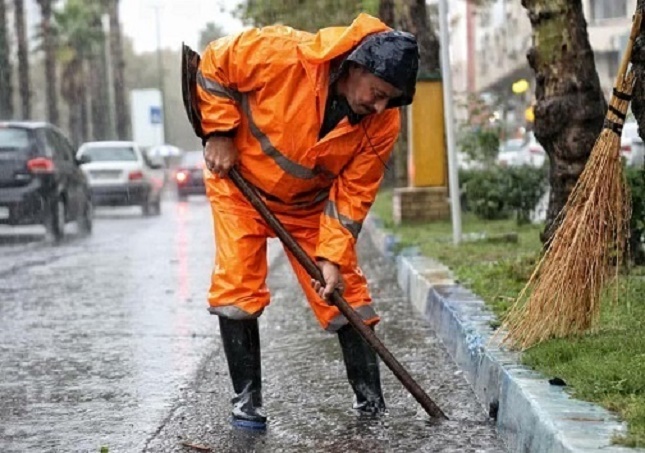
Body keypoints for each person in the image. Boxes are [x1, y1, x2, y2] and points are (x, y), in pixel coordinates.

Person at [182, 13, 419, 430]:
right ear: (356, 66)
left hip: (309, 206)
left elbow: (352, 197)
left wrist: (331, 256)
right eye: (378, 93)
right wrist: (219, 132)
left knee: (348, 296)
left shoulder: (384, 121)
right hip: (241, 188)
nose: (380, 106)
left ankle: (371, 406)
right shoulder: (282, 54)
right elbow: (214, 64)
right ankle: (247, 404)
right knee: (237, 289)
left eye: (390, 99)